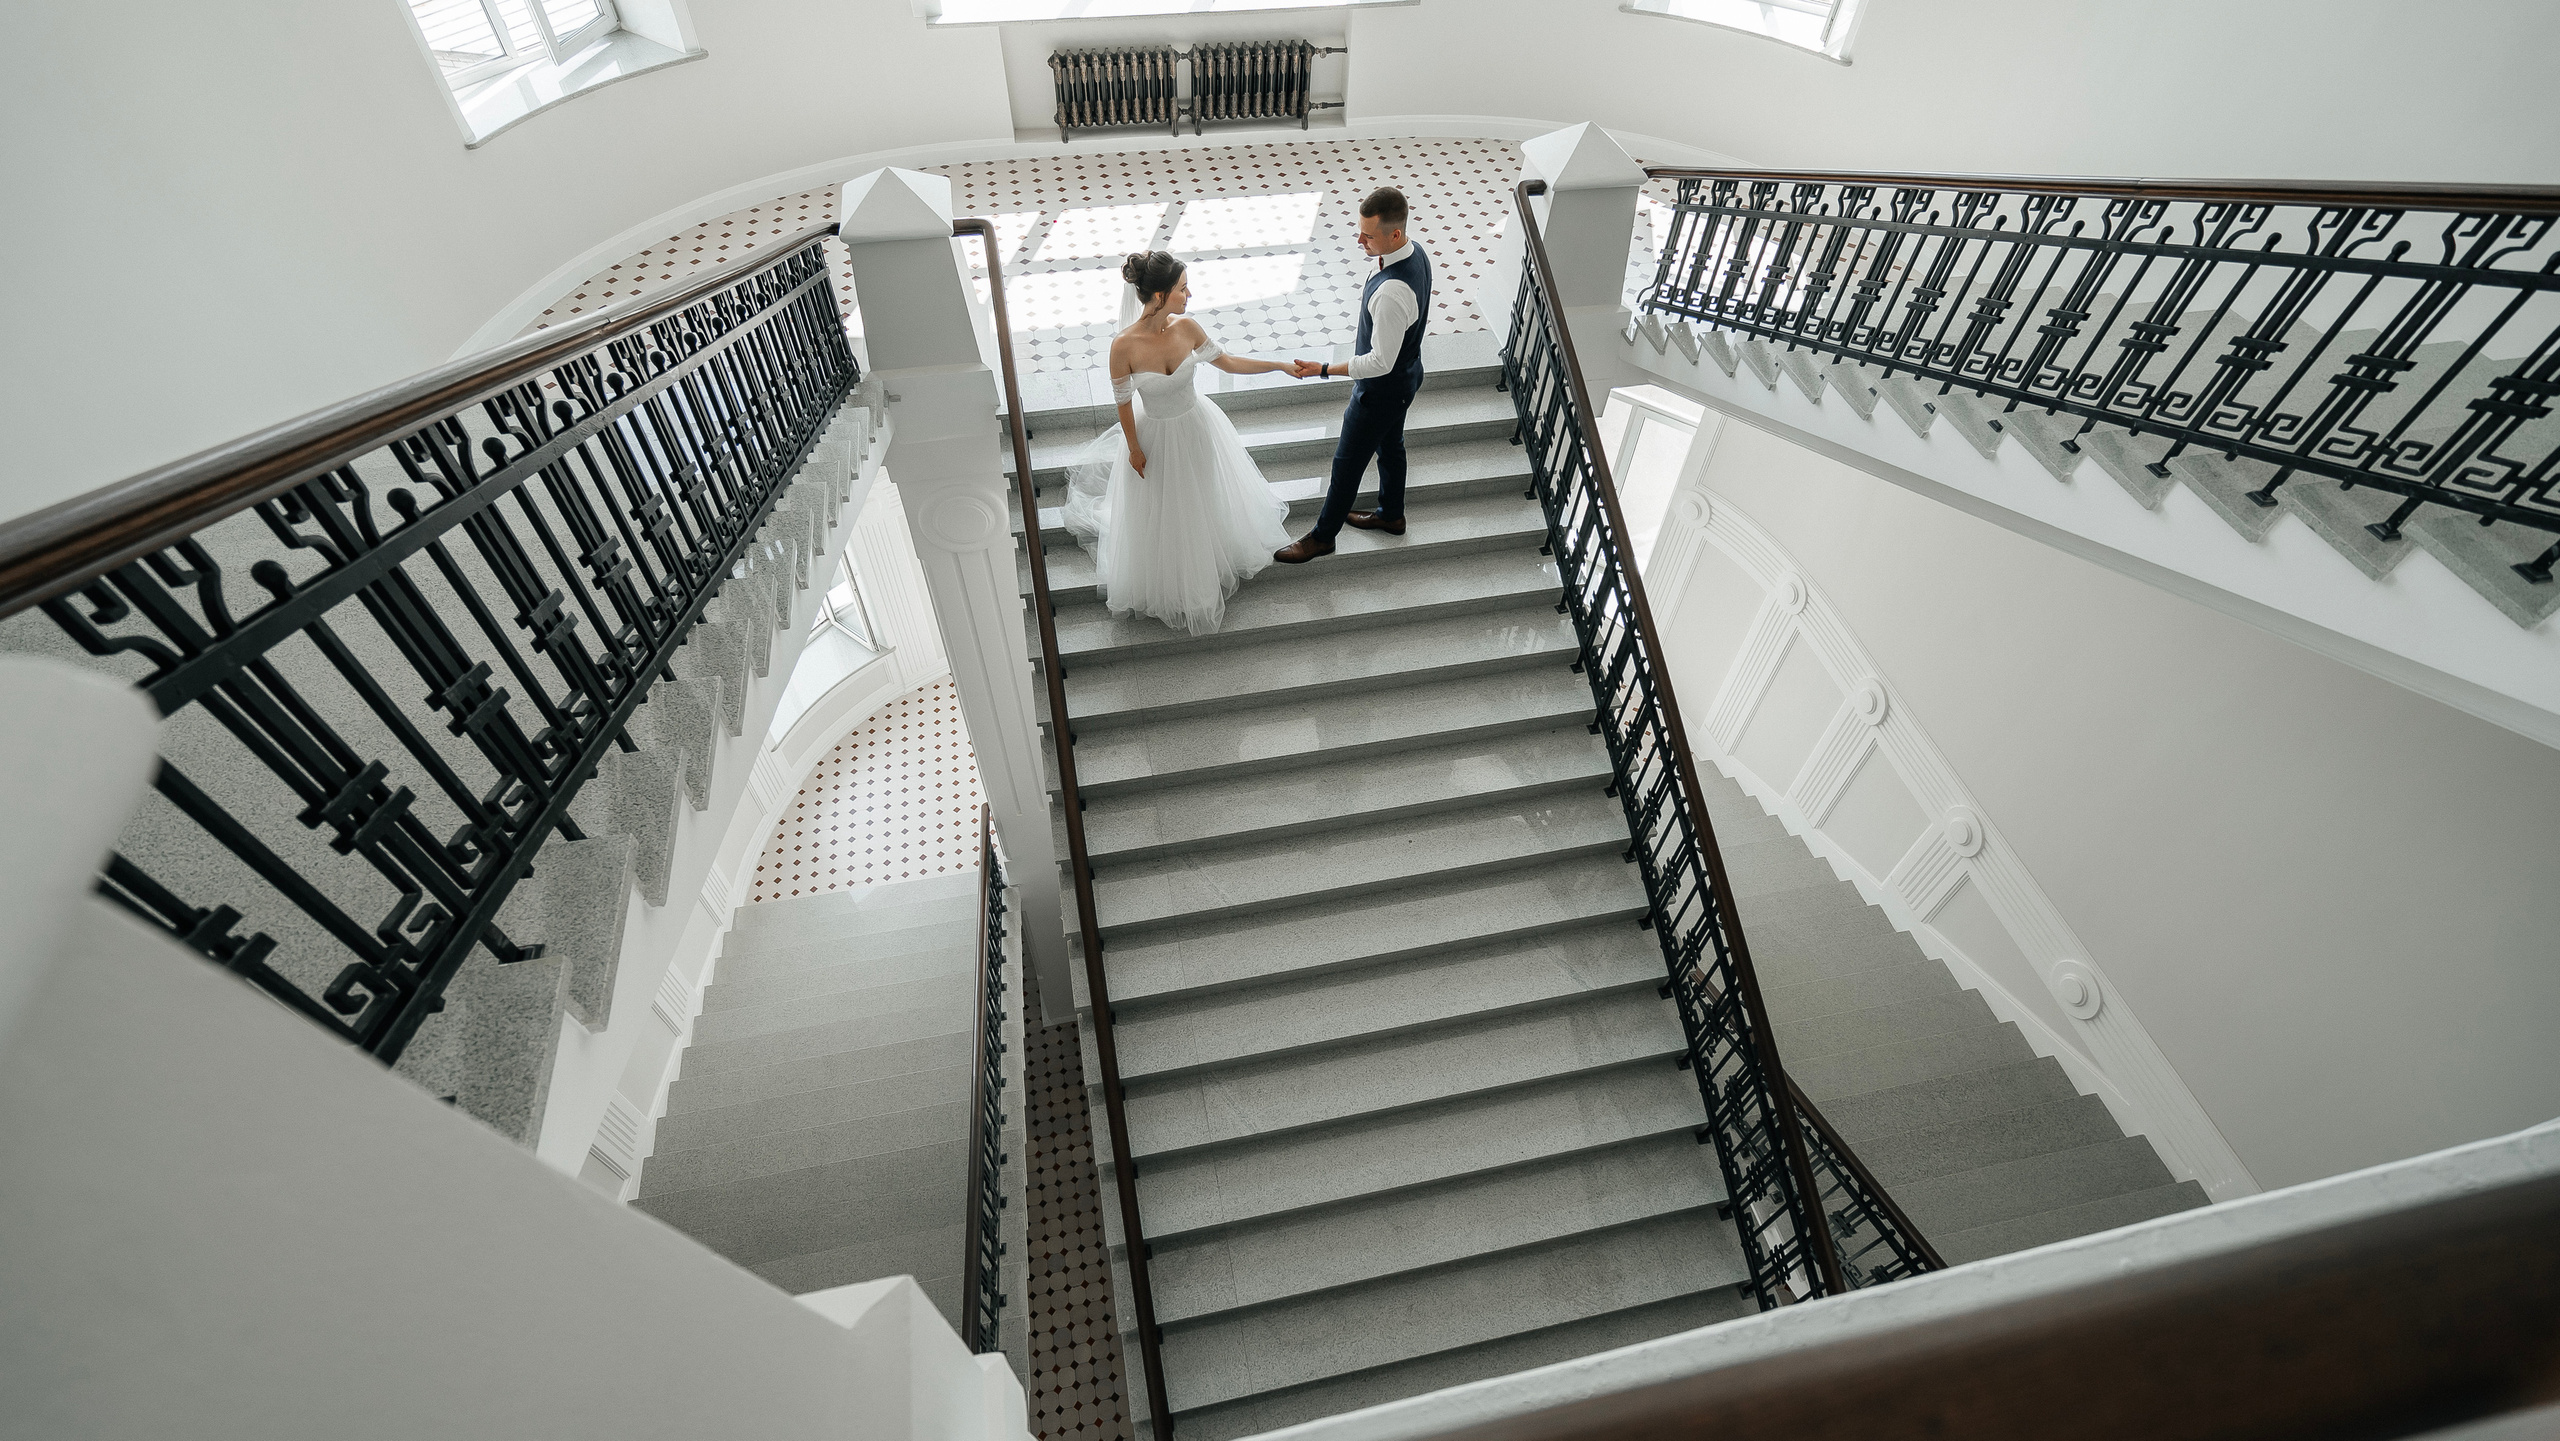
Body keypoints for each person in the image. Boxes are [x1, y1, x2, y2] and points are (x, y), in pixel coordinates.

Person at [1059, 251, 1302, 636]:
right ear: (1159, 295)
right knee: (1165, 508)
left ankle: (1207, 560)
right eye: (1182, 289)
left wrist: (1278, 365)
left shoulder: (1187, 328)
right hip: (1154, 434)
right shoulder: (1123, 347)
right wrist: (1135, 448)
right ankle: (1173, 576)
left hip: (1196, 427)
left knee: (1199, 496)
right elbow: (1123, 402)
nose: (1189, 295)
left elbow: (1229, 362)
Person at [1273, 186, 1431, 563]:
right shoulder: (1417, 253)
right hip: (1408, 377)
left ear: (1395, 234)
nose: (1359, 240)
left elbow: (1379, 362)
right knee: (1392, 446)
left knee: (1346, 464)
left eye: (1368, 235)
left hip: (1381, 390)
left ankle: (1323, 536)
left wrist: (1324, 369)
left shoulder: (1391, 292)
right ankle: (1392, 515)